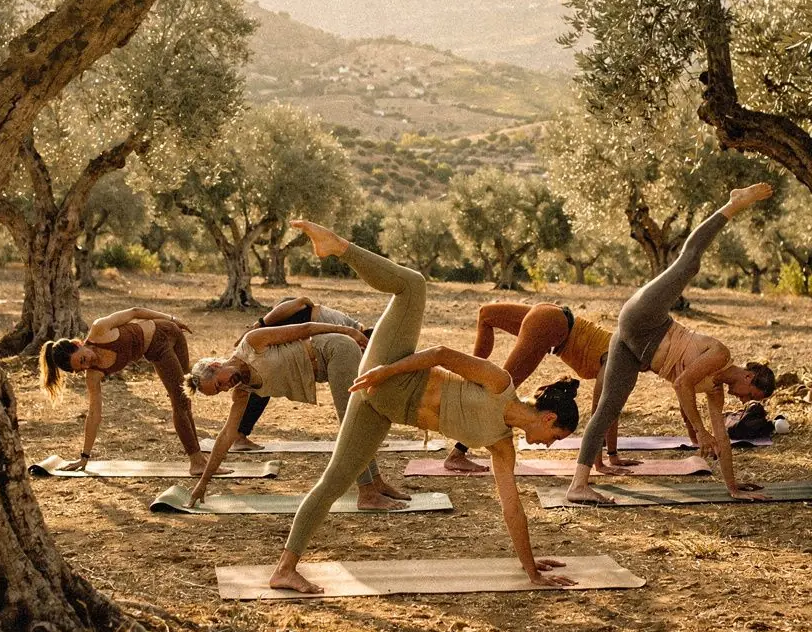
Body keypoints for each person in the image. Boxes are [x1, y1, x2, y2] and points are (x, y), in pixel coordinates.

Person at [268, 220, 581, 596]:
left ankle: (283, 571)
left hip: (383, 409)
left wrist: (530, 568)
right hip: (387, 376)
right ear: (548, 418)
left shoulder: (502, 445)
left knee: (335, 481)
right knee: (413, 284)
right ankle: (338, 247)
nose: (549, 444)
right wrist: (386, 369)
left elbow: (512, 510)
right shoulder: (499, 384)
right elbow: (441, 355)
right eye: (555, 436)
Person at [567, 184, 777, 506]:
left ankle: (578, 485)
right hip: (646, 318)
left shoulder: (716, 392)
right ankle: (733, 204)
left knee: (608, 408)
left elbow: (721, 439)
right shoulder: (720, 354)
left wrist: (732, 486)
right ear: (749, 379)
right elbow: (682, 384)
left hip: (634, 347)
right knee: (689, 263)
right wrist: (699, 431)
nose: (744, 399)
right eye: (750, 395)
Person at [185, 312, 407, 511]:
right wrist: (203, 483)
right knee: (354, 423)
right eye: (220, 391)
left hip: (336, 349)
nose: (226, 387)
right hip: (328, 364)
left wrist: (348, 331)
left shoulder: (252, 343)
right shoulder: (243, 390)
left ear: (215, 366)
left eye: (219, 384)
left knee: (351, 424)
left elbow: (305, 329)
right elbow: (226, 436)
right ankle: (375, 483)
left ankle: (368, 492)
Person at [443, 302, 640, 475]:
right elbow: (602, 412)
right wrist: (599, 463)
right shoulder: (620, 360)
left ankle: (471, 381)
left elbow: (611, 409)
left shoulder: (618, 350)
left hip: (552, 315)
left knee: (486, 315)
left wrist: (613, 455)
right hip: (551, 327)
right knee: (498, 394)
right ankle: (456, 454)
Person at [39, 307, 205, 474]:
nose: (87, 365)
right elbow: (94, 414)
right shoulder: (93, 375)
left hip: (170, 331)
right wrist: (84, 456)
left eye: (83, 359)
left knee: (184, 401)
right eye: (81, 368)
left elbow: (135, 312)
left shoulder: (100, 329)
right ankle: (197, 463)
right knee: (180, 401)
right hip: (158, 349)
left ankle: (199, 461)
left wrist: (172, 318)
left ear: (78, 344)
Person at [233, 294, 373, 448]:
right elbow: (301, 304)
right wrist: (258, 325)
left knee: (263, 381)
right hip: (301, 320)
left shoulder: (350, 327)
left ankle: (239, 434)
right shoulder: (350, 331)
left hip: (300, 322)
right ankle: (239, 435)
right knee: (261, 382)